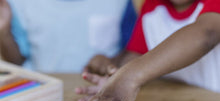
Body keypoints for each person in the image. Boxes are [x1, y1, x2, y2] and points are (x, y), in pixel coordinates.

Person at [78, 0, 220, 101]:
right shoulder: (152, 5)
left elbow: (207, 33)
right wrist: (115, 76)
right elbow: (135, 54)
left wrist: (128, 78)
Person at [0, 0, 130, 73]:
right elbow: (17, 61)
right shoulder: (18, 3)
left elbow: (133, 51)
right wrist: (4, 31)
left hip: (101, 92)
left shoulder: (121, 2)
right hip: (42, 92)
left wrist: (112, 62)